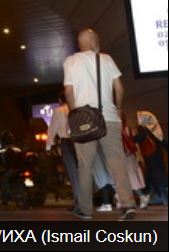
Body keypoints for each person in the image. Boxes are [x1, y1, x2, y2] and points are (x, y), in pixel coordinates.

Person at [63, 29, 136, 220]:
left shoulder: (70, 61)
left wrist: (75, 113)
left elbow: (68, 91)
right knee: (117, 161)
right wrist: (118, 109)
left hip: (84, 120)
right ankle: (127, 204)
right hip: (109, 117)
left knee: (85, 166)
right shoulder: (107, 59)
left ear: (80, 44)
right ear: (95, 42)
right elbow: (119, 88)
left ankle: (85, 209)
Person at [45, 94, 78, 211]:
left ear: (60, 100)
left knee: (73, 173)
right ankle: (86, 200)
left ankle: (78, 202)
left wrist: (48, 146)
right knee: (83, 171)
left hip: (67, 143)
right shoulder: (76, 108)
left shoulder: (58, 111)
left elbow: (52, 130)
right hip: (80, 142)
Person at [135, 110, 168, 206]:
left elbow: (138, 138)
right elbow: (163, 142)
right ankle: (155, 199)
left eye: (138, 118)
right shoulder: (155, 130)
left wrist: (128, 140)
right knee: (155, 179)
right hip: (157, 158)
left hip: (151, 159)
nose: (137, 120)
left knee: (154, 180)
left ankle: (162, 200)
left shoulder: (143, 129)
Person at [121, 112, 150, 209]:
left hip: (125, 156)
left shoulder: (120, 129)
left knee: (130, 178)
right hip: (130, 155)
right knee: (132, 178)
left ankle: (142, 197)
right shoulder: (127, 128)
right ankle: (141, 197)